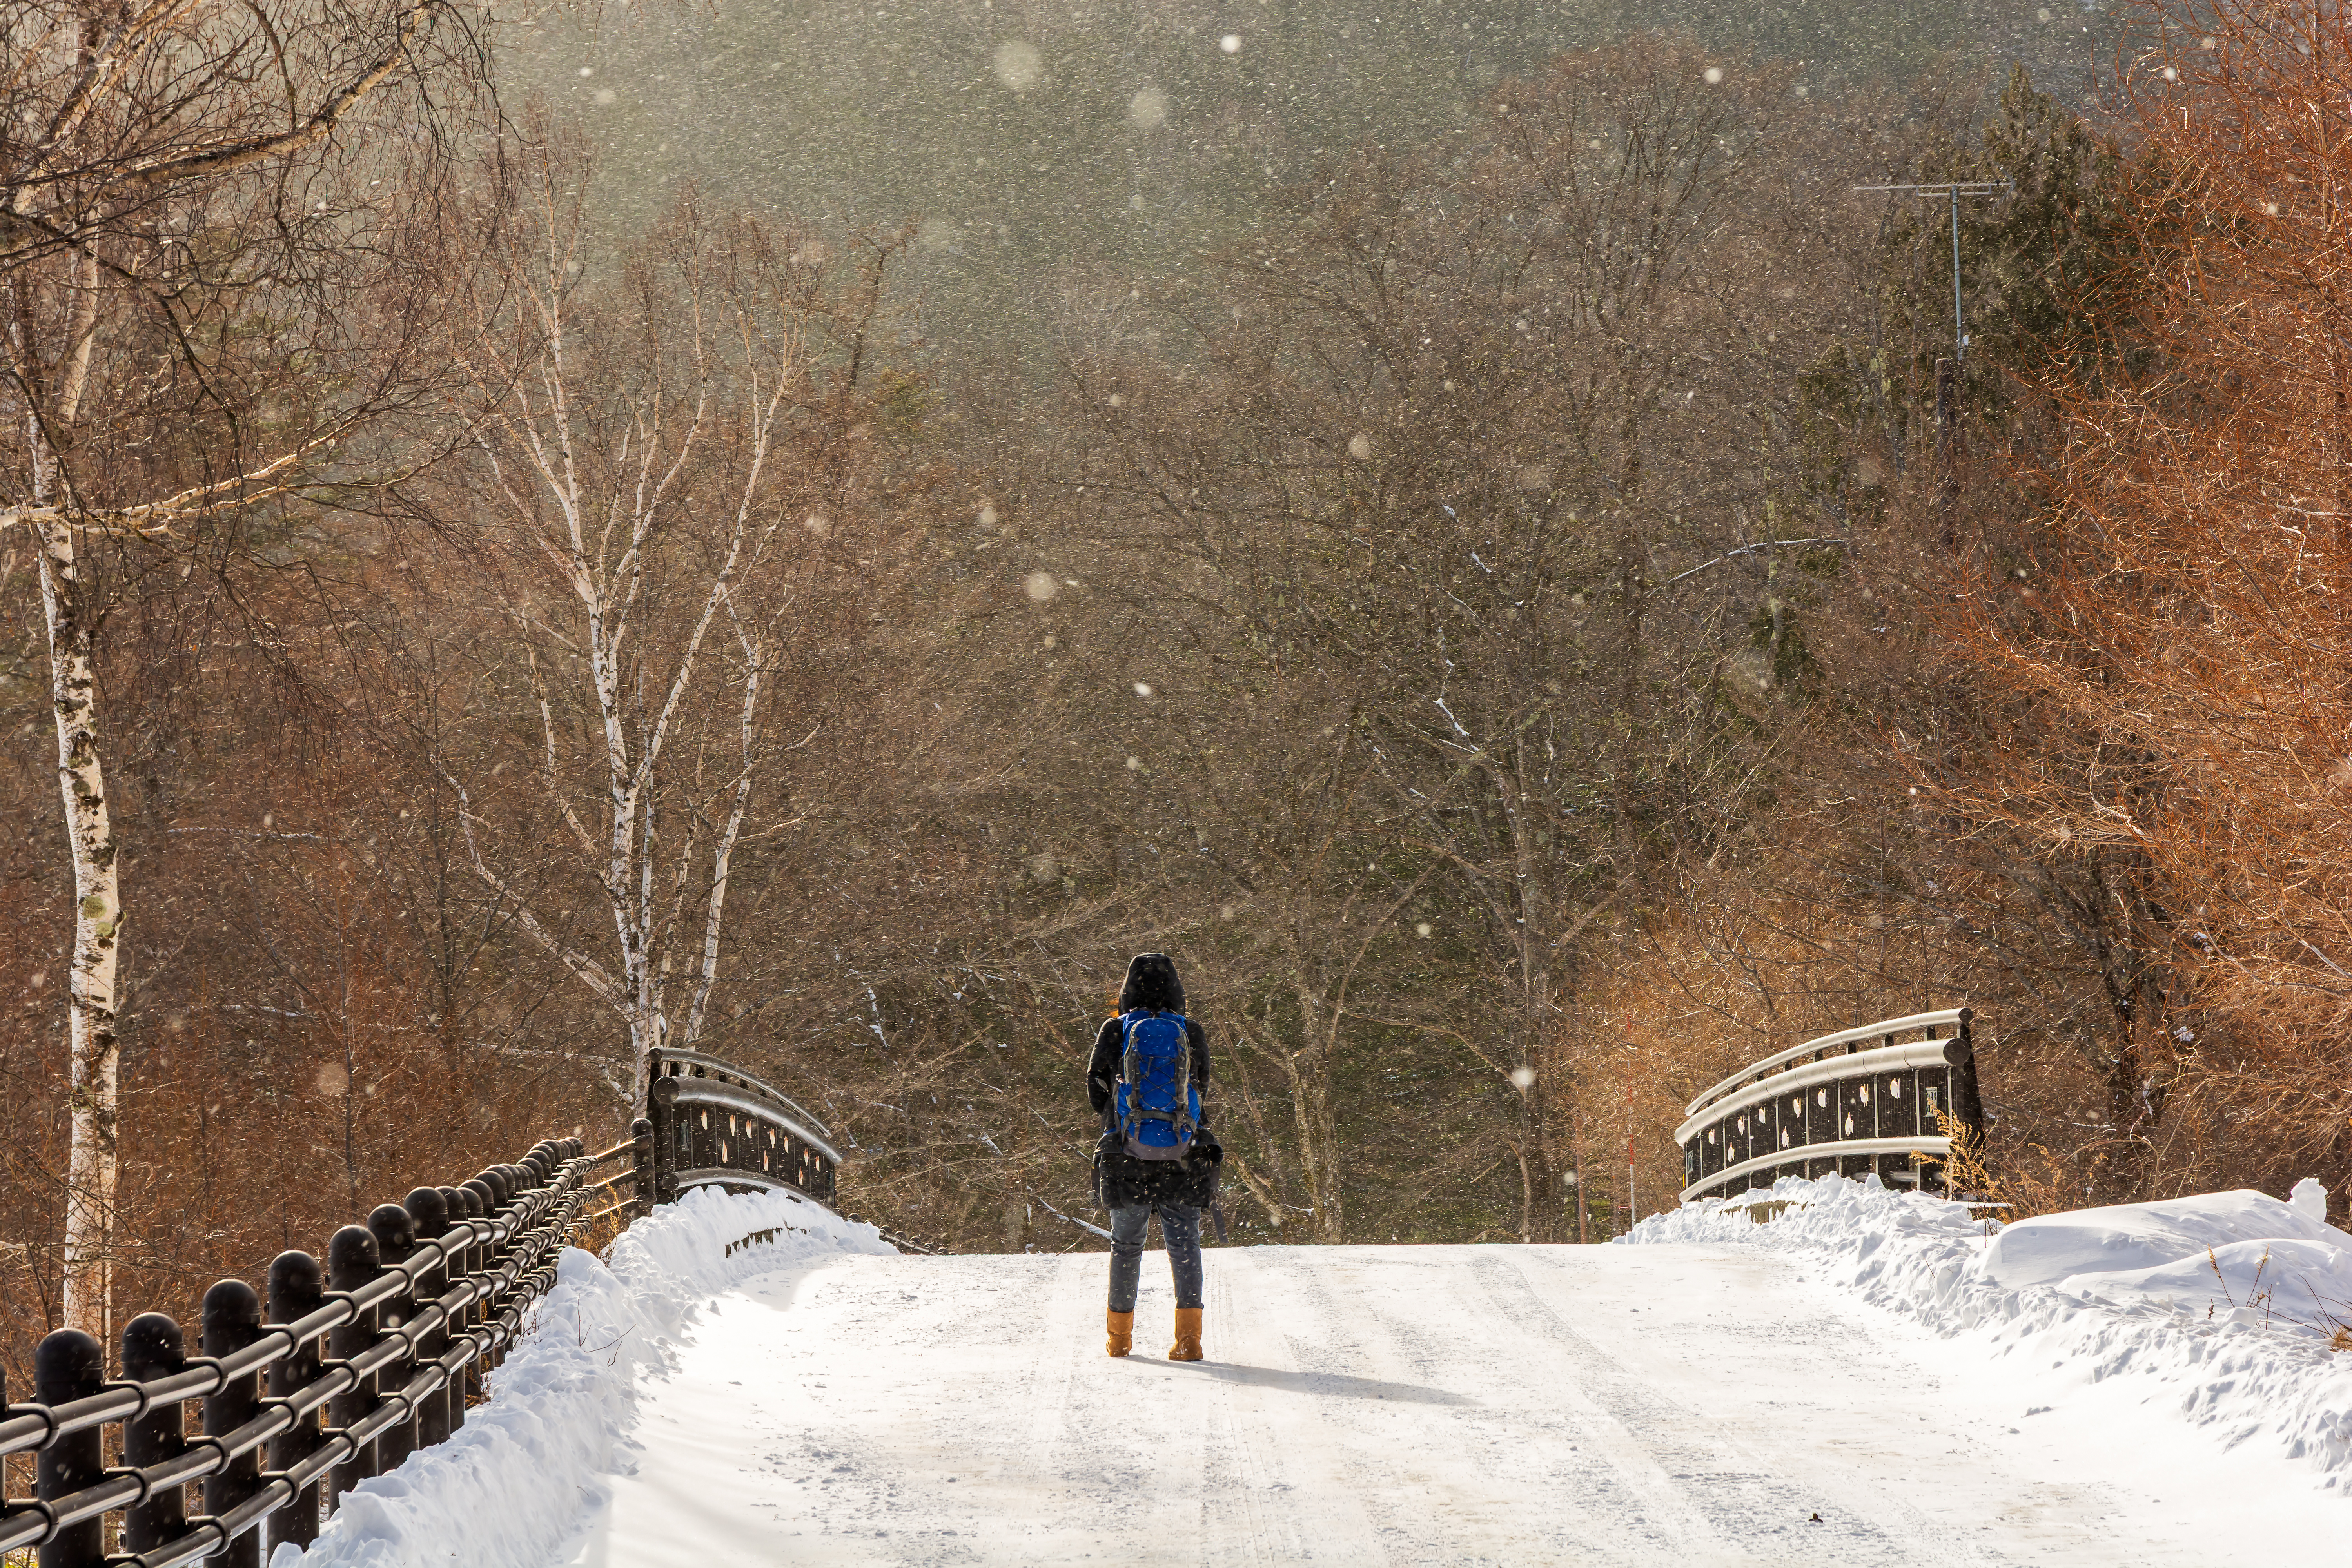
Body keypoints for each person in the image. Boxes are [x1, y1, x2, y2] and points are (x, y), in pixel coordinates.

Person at [1089, 951, 1221, 1361]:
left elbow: (1095, 1094)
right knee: (1184, 1244)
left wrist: (1123, 1113)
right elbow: (1203, 1086)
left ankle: (1119, 1339)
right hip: (1182, 1155)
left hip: (1127, 1154)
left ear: (1128, 990)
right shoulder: (1190, 1030)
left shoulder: (1115, 1029)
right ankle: (1189, 1340)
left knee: (1126, 1245)